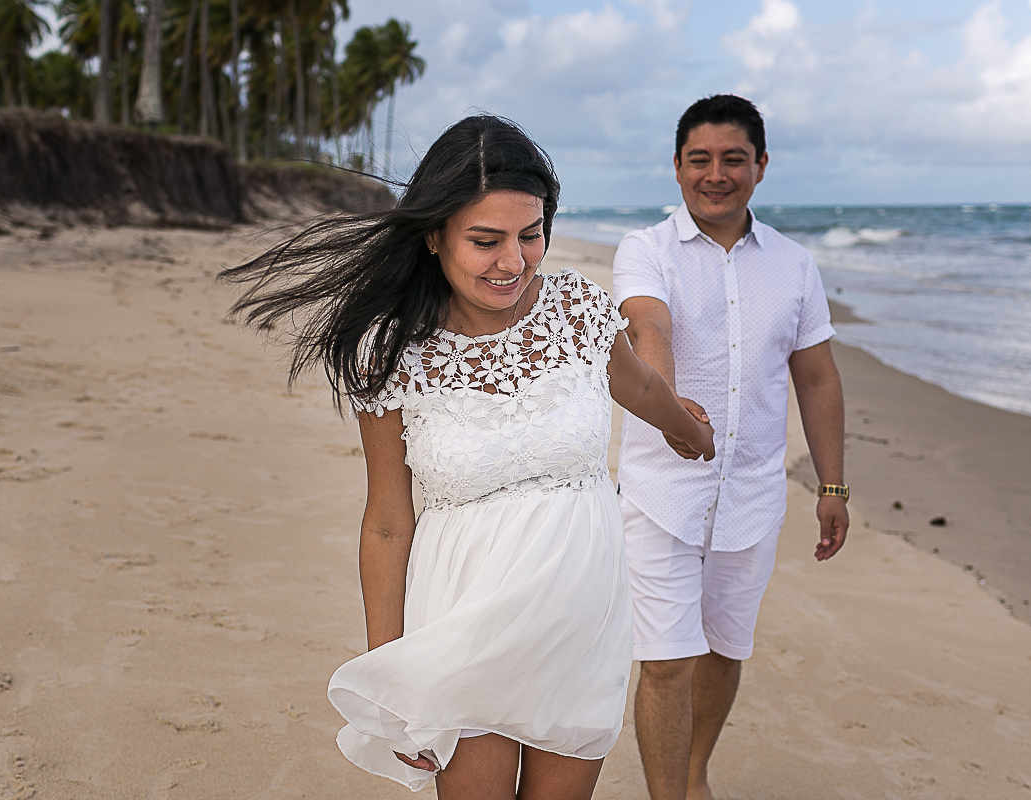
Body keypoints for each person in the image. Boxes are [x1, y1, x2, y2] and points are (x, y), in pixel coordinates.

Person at [221, 116, 715, 799]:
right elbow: (388, 522)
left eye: (530, 234)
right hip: (462, 617)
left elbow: (638, 386)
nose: (513, 262)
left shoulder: (576, 312)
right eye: (486, 241)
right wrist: (392, 676)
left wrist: (684, 428)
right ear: (434, 236)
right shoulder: (391, 353)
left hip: (580, 614)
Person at [612, 94, 849, 800]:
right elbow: (646, 325)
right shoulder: (644, 249)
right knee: (666, 660)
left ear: (761, 167)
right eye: (700, 160)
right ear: (677, 168)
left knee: (723, 650)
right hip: (661, 493)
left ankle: (693, 775)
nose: (716, 174)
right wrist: (672, 403)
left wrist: (832, 488)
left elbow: (817, 376)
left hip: (752, 495)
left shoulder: (795, 264)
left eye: (733, 160)